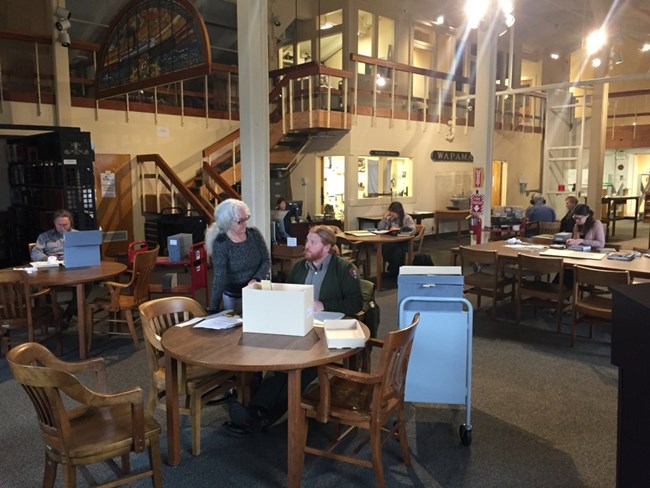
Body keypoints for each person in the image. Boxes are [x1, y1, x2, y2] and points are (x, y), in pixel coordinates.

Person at [226, 225, 363, 434]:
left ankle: (258, 414)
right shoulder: (299, 267)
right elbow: (289, 295)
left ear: (327, 247)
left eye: (312, 242)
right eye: (307, 241)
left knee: (299, 370)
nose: (306, 246)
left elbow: (356, 303)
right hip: (299, 326)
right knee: (281, 366)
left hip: (327, 331)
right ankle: (258, 415)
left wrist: (324, 305)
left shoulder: (344, 269)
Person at [205, 199, 271, 313]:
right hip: (234, 297)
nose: (245, 223)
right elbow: (219, 278)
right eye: (240, 221)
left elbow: (266, 261)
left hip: (258, 291)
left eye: (246, 218)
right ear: (228, 223)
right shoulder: (221, 243)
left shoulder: (254, 234)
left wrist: (255, 279)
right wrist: (213, 309)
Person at [377, 201, 415, 279]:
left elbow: (413, 230)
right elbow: (380, 229)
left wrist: (399, 230)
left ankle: (395, 272)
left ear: (399, 211)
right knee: (384, 249)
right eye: (391, 211)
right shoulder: (390, 218)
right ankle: (394, 269)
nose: (392, 213)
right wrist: (384, 218)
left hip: (405, 242)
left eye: (393, 212)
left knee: (397, 252)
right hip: (392, 242)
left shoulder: (407, 218)